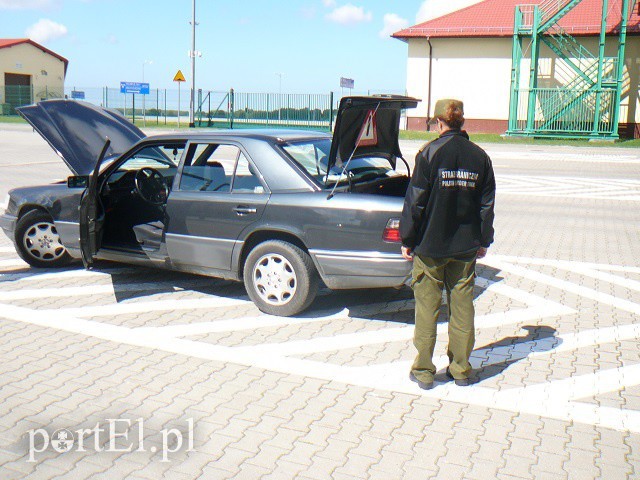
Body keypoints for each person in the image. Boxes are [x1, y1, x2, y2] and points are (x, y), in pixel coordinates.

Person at [400, 99, 496, 390]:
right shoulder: (479, 156)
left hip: (430, 247)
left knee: (428, 310)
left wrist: (408, 239)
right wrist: (483, 240)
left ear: (439, 123)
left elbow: (415, 202)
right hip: (465, 247)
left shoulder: (428, 154)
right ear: (461, 122)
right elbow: (486, 205)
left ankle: (425, 371)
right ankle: (461, 370)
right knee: (463, 308)